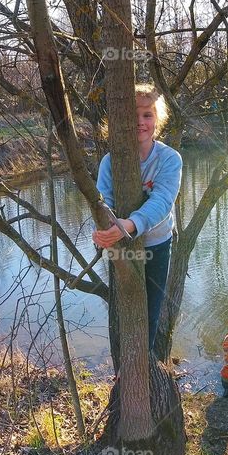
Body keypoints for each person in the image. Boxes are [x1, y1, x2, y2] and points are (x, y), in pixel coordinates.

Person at [92, 83, 182, 353]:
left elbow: (162, 201)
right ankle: (123, 363)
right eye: (133, 115)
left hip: (156, 243)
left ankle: (145, 361)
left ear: (157, 120)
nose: (140, 122)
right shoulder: (110, 161)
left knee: (150, 309)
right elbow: (103, 201)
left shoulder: (170, 159)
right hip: (121, 245)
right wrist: (105, 230)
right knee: (124, 307)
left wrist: (129, 225)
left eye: (147, 115)